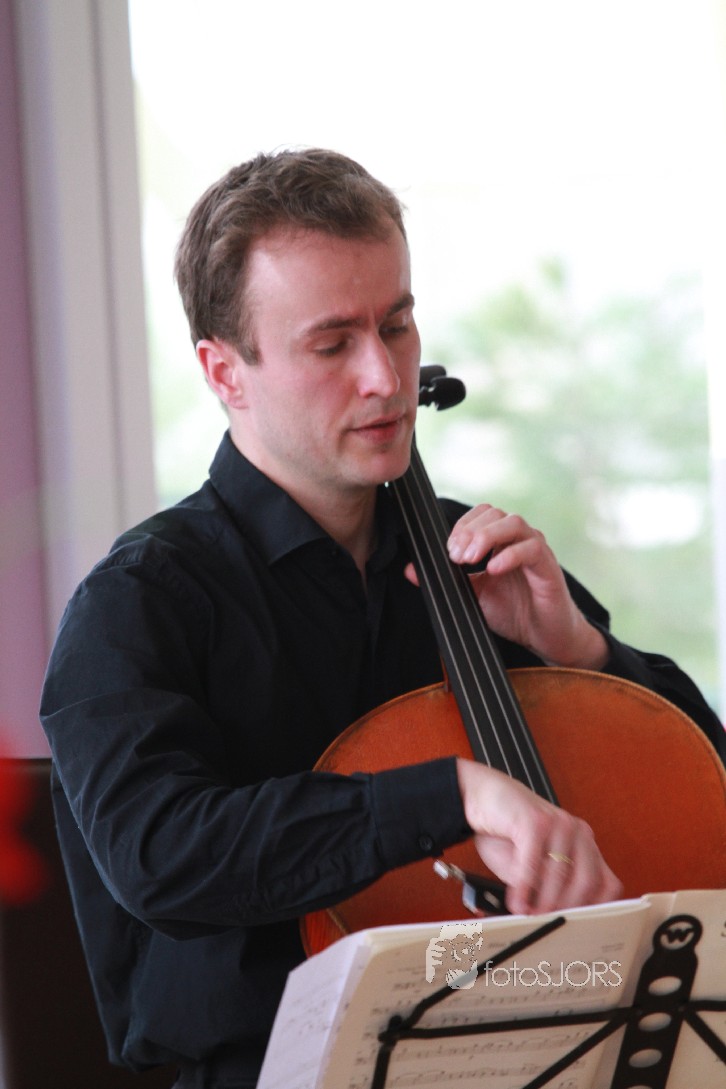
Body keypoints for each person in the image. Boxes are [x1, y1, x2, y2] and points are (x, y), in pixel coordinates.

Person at [40, 148, 725, 1089]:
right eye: (333, 345)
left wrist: (582, 648)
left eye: (396, 325)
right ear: (224, 370)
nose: (386, 377)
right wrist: (453, 796)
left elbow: (701, 785)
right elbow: (159, 852)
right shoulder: (140, 600)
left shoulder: (473, 558)